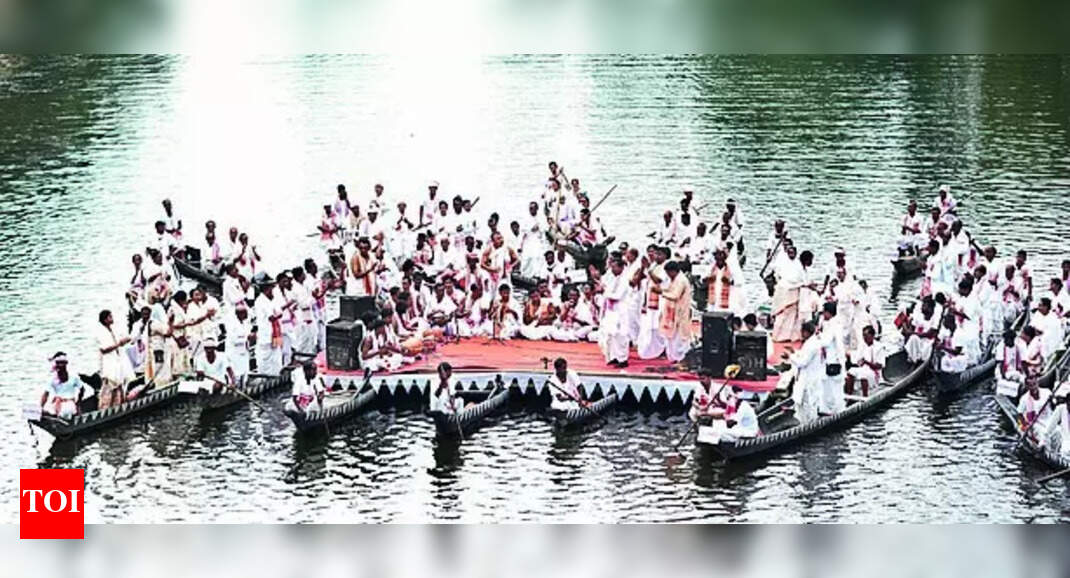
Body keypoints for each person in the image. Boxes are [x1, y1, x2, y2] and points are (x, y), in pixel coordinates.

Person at [654, 261, 694, 363]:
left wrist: (661, 292)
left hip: (680, 312)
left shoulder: (681, 280)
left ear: (673, 271)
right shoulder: (674, 279)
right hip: (672, 312)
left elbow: (675, 296)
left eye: (668, 273)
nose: (668, 275)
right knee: (671, 337)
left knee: (679, 338)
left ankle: (682, 359)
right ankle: (674, 358)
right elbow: (669, 290)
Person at [96, 309, 133, 410]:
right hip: (109, 363)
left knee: (118, 385)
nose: (112, 318)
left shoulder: (113, 329)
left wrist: (124, 341)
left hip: (117, 361)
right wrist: (118, 344)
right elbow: (104, 349)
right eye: (110, 317)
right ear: (105, 320)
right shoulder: (101, 332)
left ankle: (117, 407)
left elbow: (123, 339)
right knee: (109, 387)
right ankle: (104, 410)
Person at [598, 258, 632, 366]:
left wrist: (604, 292)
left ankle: (623, 359)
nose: (612, 269)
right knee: (610, 334)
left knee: (621, 335)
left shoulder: (625, 279)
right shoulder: (613, 279)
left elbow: (617, 296)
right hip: (611, 311)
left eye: (614, 267)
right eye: (611, 267)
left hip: (621, 310)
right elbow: (608, 291)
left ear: (621, 267)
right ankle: (614, 356)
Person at [817, 302, 846, 414]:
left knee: (833, 387)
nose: (823, 315)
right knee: (827, 386)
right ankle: (827, 408)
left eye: (824, 312)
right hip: (828, 359)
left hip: (833, 360)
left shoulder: (834, 325)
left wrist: (818, 336)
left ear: (829, 313)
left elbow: (827, 341)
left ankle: (836, 410)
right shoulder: (829, 324)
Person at [770, 245, 804, 342]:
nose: (791, 255)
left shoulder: (798, 264)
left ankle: (789, 336)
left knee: (793, 315)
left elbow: (800, 278)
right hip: (784, 291)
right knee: (782, 314)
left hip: (794, 291)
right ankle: (778, 336)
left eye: (793, 253)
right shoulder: (784, 263)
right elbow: (780, 276)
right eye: (789, 253)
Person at [40, 353, 90, 418]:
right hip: (57, 403)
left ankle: (58, 416)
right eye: (58, 363)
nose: (60, 365)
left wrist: (78, 402)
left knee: (65, 412)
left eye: (62, 363)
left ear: (66, 364)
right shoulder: (52, 379)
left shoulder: (73, 377)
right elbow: (45, 394)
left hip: (69, 404)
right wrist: (41, 407)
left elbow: (82, 389)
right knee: (46, 412)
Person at [254, 279, 284, 375]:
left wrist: (278, 314)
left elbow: (279, 312)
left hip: (276, 333)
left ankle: (276, 375)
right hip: (266, 335)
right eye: (271, 288)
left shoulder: (272, 300)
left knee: (277, 357)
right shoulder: (261, 301)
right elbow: (272, 317)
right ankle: (264, 377)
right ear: (266, 289)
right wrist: (278, 314)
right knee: (265, 359)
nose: (273, 290)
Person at [846, 326, 884, 397]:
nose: (864, 338)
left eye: (866, 335)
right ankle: (849, 396)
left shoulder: (879, 347)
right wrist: (858, 361)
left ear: (872, 336)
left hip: (874, 373)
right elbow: (857, 360)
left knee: (863, 375)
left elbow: (879, 366)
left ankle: (865, 396)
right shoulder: (862, 345)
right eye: (863, 335)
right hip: (864, 369)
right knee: (851, 371)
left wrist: (866, 362)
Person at [705, 249, 745, 316]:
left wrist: (729, 281)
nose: (719, 261)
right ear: (715, 259)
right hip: (713, 301)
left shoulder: (731, 269)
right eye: (718, 259)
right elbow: (703, 280)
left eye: (721, 259)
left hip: (727, 301)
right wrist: (708, 279)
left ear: (724, 259)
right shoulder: (711, 268)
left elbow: (739, 283)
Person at [224, 303, 254, 381]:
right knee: (236, 373)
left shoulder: (245, 323)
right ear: (240, 314)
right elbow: (233, 339)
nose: (247, 315)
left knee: (245, 371)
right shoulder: (232, 324)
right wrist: (247, 337)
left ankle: (244, 383)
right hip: (234, 352)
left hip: (244, 350)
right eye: (245, 313)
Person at [1030, 297, 1064, 363]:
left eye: (1040, 305)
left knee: (1039, 342)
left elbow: (1051, 334)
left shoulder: (1053, 318)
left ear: (1045, 307)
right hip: (1037, 338)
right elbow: (1032, 326)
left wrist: (1039, 332)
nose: (1038, 307)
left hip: (1050, 342)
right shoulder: (1038, 314)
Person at [905, 298, 939, 363]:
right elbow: (911, 328)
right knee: (913, 338)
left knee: (929, 345)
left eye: (924, 306)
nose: (922, 308)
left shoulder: (935, 319)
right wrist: (908, 330)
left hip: (928, 341)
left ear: (930, 308)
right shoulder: (919, 316)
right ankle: (913, 359)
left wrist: (912, 333)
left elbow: (929, 334)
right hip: (918, 340)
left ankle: (922, 360)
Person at [994, 330, 1024, 397]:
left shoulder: (1019, 346)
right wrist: (1004, 378)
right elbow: (1001, 364)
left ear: (1012, 339)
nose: (1004, 341)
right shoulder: (1000, 347)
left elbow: (1023, 362)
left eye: (1006, 340)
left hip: (1015, 371)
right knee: (1003, 384)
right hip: (1003, 372)